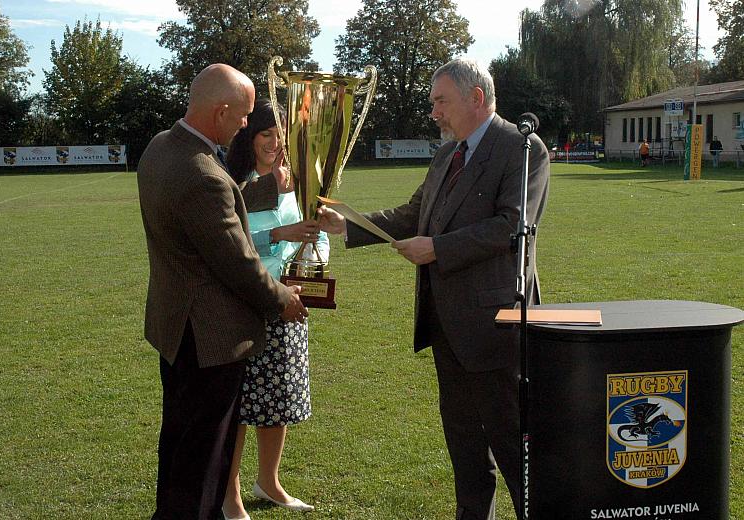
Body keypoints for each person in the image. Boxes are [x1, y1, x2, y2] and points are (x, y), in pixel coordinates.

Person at [319, 58, 550, 520]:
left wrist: (438, 249)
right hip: (446, 325)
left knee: (512, 444)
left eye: (440, 102)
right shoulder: (448, 153)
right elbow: (414, 212)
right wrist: (348, 225)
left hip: (496, 327)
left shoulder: (522, 148)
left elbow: (510, 226)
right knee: (464, 447)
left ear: (476, 98)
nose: (433, 113)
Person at [136, 63, 308, 520]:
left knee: (178, 443)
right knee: (204, 457)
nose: (246, 125)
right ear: (221, 111)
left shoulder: (158, 148)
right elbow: (238, 262)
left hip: (175, 330)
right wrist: (283, 299)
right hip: (210, 338)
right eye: (244, 115)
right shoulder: (204, 174)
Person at [221, 98, 326, 520]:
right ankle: (230, 497)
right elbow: (233, 247)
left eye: (281, 135)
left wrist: (310, 262)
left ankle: (270, 482)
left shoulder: (298, 182)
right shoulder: (233, 182)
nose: (276, 144)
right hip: (246, 303)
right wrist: (279, 233)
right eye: (267, 134)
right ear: (249, 136)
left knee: (277, 400)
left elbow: (316, 235)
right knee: (241, 406)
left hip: (290, 302)